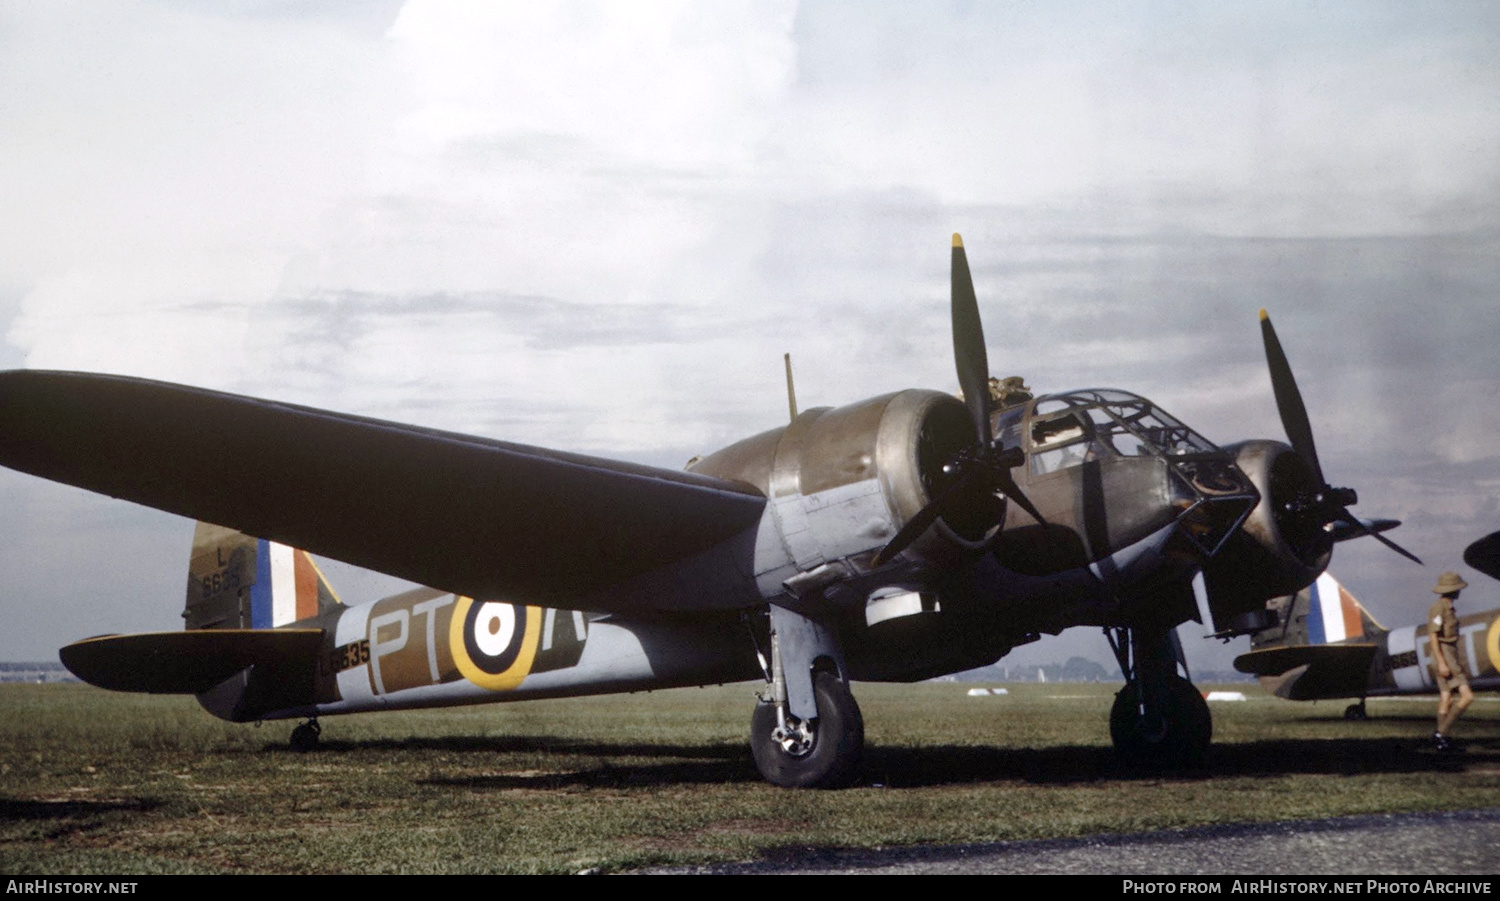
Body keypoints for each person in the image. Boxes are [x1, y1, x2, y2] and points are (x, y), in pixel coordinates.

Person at [1428, 571, 1473, 751]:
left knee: (1446, 697)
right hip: (1444, 654)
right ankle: (1441, 733)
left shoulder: (1448, 607)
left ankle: (1441, 740)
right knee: (1468, 696)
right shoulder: (1439, 608)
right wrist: (1442, 662)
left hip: (1449, 653)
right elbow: (1432, 636)